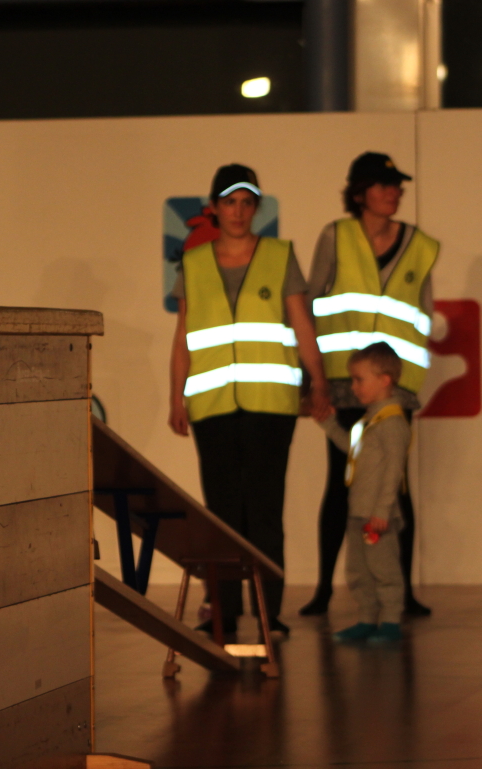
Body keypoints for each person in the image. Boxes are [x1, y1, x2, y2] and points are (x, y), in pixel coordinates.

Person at [169, 164, 332, 641]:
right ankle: (222, 612)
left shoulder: (279, 256)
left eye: (247, 203)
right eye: (230, 202)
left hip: (270, 405)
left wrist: (318, 381)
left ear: (256, 207)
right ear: (214, 208)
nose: (239, 212)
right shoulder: (193, 263)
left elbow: (302, 324)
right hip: (212, 404)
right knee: (221, 513)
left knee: (263, 511)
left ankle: (268, 613)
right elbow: (183, 336)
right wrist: (177, 395)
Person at [301, 152, 438, 617]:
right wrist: (314, 378)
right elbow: (312, 301)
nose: (393, 192)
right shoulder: (335, 236)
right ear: (359, 193)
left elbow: (423, 313)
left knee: (396, 487)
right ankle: (324, 588)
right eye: (382, 185)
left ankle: (403, 591)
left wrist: (406, 380)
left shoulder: (419, 246)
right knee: (341, 484)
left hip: (394, 387)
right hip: (345, 382)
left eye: (397, 185)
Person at [316, 343, 410, 644]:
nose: (353, 387)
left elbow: (394, 471)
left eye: (359, 380)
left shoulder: (392, 422)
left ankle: (391, 621)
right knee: (359, 570)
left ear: (384, 380)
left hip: (377, 516)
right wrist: (329, 425)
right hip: (359, 511)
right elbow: (352, 449)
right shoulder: (368, 420)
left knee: (384, 569)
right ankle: (368, 618)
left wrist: (382, 510)